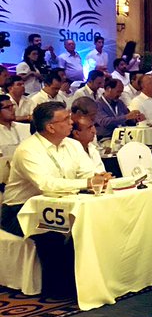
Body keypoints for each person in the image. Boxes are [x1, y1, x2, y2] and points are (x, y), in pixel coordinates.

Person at [2, 103, 110, 295]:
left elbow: (87, 173)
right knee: (52, 231)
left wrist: (98, 178)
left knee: (99, 220)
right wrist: (87, 182)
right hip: (21, 209)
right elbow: (46, 185)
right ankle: (60, 288)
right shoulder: (28, 150)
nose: (72, 122)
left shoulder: (73, 145)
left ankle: (97, 277)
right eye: (66, 119)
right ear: (50, 127)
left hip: (63, 202)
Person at [69, 108, 105, 173]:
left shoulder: (92, 148)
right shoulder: (71, 153)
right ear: (77, 133)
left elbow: (102, 172)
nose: (94, 131)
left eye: (93, 126)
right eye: (89, 128)